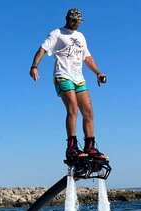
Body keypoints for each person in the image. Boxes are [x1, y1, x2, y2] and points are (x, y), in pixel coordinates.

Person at [29, 8, 108, 159]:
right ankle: (71, 147)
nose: (76, 23)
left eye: (78, 21)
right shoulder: (57, 33)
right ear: (67, 18)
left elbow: (87, 57)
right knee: (73, 108)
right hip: (63, 75)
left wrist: (98, 73)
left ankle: (90, 146)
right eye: (73, 20)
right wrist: (34, 66)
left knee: (88, 111)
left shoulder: (81, 36)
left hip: (79, 78)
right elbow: (42, 50)